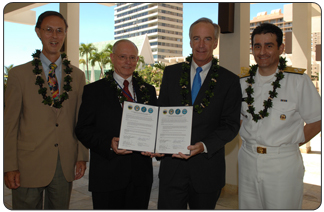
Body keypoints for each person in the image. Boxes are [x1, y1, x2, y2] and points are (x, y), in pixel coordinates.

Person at [4, 11, 89, 209]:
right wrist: (9, 166)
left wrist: (81, 156)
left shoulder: (77, 76)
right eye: (48, 30)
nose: (54, 36)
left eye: (60, 31)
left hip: (64, 163)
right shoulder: (18, 74)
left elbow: (80, 119)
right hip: (27, 163)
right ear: (38, 32)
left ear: (65, 33)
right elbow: (9, 124)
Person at [155, 17, 242, 209]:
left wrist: (204, 146)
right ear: (190, 41)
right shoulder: (171, 74)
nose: (201, 45)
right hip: (172, 169)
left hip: (207, 171)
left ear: (215, 42)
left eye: (207, 39)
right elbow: (161, 114)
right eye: (196, 38)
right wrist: (155, 143)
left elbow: (231, 125)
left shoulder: (229, 81)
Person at [239, 23, 321, 209]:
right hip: (247, 159)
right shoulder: (243, 82)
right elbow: (239, 118)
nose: (262, 52)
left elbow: (317, 120)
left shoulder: (297, 81)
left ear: (281, 48)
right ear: (252, 49)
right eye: (257, 46)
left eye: (269, 45)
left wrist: (291, 144)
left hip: (282, 162)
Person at [75, 39, 157, 209]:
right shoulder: (94, 91)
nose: (128, 62)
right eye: (123, 57)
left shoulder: (147, 90)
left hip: (140, 177)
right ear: (112, 58)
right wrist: (109, 143)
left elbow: (155, 126)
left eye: (133, 57)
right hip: (107, 176)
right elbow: (82, 129)